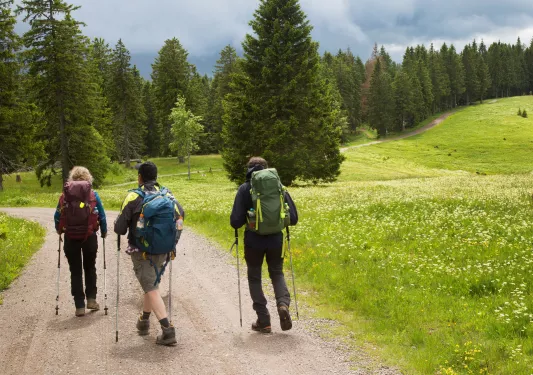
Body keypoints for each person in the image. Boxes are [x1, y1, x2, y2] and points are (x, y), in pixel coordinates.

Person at [114, 161, 184, 346]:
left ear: (140, 178)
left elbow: (120, 228)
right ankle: (144, 320)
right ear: (156, 176)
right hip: (163, 250)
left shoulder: (133, 196)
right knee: (150, 283)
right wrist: (173, 241)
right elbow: (180, 217)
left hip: (141, 251)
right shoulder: (168, 195)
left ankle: (168, 331)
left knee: (151, 287)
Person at [230, 157, 298, 333]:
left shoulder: (245, 189)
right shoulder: (278, 187)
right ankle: (283, 304)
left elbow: (235, 221)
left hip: (253, 241)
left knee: (255, 277)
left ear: (249, 170)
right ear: (267, 170)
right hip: (276, 239)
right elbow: (294, 218)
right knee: (277, 273)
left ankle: (264, 320)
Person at [54, 166, 107, 317]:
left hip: (71, 237)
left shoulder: (64, 196)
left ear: (72, 179)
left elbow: (57, 216)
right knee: (90, 268)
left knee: (75, 271)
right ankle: (91, 299)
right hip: (89, 236)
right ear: (88, 178)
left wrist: (59, 230)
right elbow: (102, 216)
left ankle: (79, 306)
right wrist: (103, 231)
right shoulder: (93, 195)